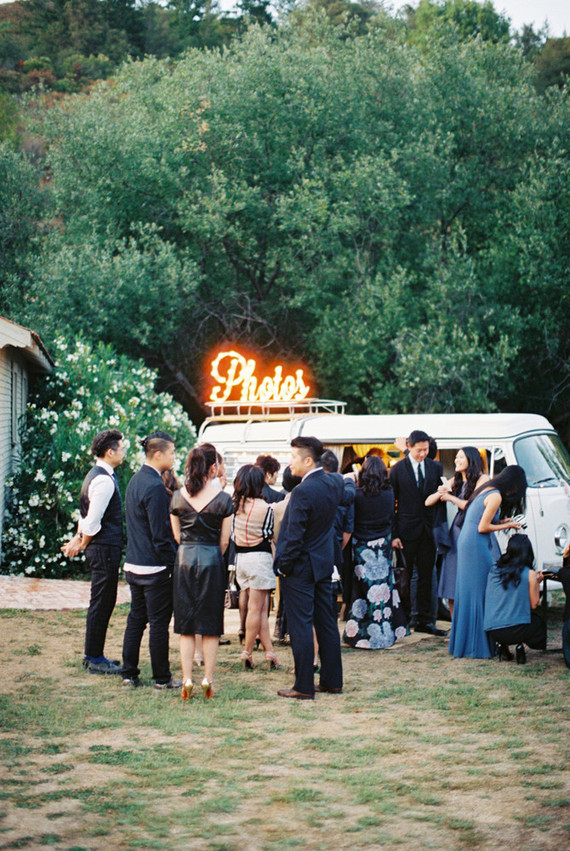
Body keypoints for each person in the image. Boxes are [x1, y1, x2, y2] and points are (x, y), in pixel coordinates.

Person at [273, 436, 347, 699]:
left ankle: (303, 685)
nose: (289, 462)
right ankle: (332, 681)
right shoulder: (334, 482)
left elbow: (294, 535)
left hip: (301, 567)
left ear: (307, 460)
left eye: (293, 457)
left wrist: (283, 566)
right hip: (323, 564)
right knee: (326, 622)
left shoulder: (304, 490)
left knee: (301, 624)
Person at [170, 443, 233, 699]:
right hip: (211, 561)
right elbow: (226, 541)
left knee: (185, 625)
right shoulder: (224, 500)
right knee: (210, 626)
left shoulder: (177, 496)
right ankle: (207, 678)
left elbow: (176, 536)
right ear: (213, 467)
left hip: (184, 560)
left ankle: (186, 680)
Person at [61, 429, 125, 674]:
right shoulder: (103, 480)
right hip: (103, 549)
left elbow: (85, 517)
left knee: (103, 601)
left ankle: (95, 654)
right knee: (101, 602)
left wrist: (77, 539)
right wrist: (81, 542)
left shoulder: (96, 475)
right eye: (121, 447)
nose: (124, 451)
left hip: (101, 548)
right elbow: (93, 521)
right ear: (110, 452)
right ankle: (95, 658)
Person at [449, 465, 527, 659]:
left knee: (470, 590)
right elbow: (483, 527)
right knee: (480, 590)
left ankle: (465, 642)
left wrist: (505, 521)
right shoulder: (496, 496)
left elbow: (480, 521)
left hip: (469, 541)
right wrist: (508, 525)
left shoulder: (487, 489)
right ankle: (479, 645)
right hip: (476, 543)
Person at [121, 432, 180, 689]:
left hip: (133, 562)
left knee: (136, 618)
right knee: (158, 623)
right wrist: (173, 563)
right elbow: (160, 533)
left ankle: (129, 673)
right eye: (172, 452)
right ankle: (161, 678)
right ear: (158, 454)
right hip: (154, 567)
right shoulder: (155, 486)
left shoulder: (135, 480)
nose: (175, 457)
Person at [343, 456, 407, 649]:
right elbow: (391, 518)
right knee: (384, 589)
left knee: (363, 590)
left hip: (362, 546)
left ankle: (360, 633)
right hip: (383, 545)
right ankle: (388, 631)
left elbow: (351, 521)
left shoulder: (356, 494)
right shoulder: (389, 493)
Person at [390, 430, 446, 636]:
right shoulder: (397, 470)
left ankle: (426, 621)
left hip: (428, 530)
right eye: (419, 450)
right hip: (406, 531)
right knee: (404, 576)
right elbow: (392, 504)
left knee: (426, 576)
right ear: (409, 447)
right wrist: (394, 534)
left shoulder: (435, 467)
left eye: (426, 450)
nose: (423, 454)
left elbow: (438, 500)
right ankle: (404, 620)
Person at [425, 447, 488, 621]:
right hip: (458, 531)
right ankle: (456, 628)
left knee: (472, 580)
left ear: (471, 459)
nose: (456, 460)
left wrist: (451, 498)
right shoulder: (456, 480)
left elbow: (473, 506)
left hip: (474, 530)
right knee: (452, 580)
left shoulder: (483, 479)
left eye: (461, 457)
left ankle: (473, 623)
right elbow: (428, 502)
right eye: (456, 457)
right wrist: (440, 492)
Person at [232, 464, 280, 670]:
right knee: (256, 608)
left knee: (259, 609)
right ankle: (248, 651)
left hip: (241, 559)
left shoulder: (234, 506)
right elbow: (270, 534)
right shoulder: (266, 508)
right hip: (260, 558)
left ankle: (270, 652)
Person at [483, 534, 546, 664]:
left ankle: (502, 646)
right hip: (518, 630)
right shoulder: (529, 574)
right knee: (538, 622)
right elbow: (534, 604)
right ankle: (520, 646)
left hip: (493, 629)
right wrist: (536, 583)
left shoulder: (495, 569)